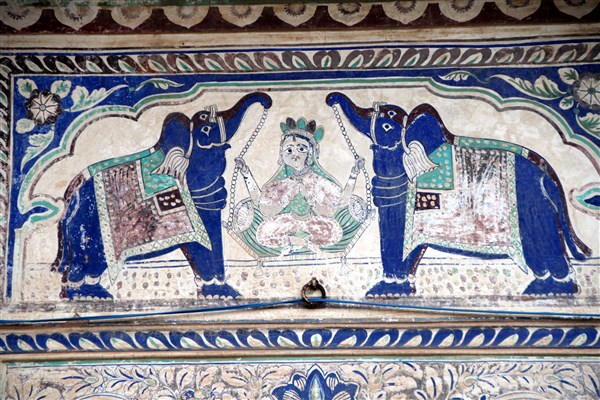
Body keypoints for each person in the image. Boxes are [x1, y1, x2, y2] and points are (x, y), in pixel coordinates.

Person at [235, 117, 364, 256]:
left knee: (334, 231)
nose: (295, 154)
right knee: (263, 234)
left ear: (311, 153)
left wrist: (353, 175)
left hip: (312, 222)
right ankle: (297, 242)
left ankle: (304, 242)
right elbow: (262, 205)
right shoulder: (285, 182)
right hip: (288, 221)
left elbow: (339, 204)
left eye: (301, 149)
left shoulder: (316, 180)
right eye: (289, 150)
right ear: (282, 154)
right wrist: (246, 174)